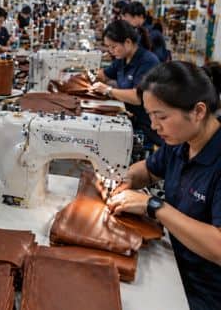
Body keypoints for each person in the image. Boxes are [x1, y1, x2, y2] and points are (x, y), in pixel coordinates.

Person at [107, 61, 221, 310]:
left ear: (198, 111)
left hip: (204, 291)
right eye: (150, 116)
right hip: (171, 261)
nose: (154, 126)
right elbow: (149, 170)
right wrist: (125, 179)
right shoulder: (180, 142)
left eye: (162, 117)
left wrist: (154, 206)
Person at [92, 20, 162, 147]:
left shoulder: (148, 62)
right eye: (108, 47)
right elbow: (104, 75)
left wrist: (108, 90)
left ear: (128, 42)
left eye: (113, 47)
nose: (110, 51)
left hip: (146, 126)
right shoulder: (122, 59)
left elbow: (137, 97)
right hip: (129, 117)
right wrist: (86, 74)